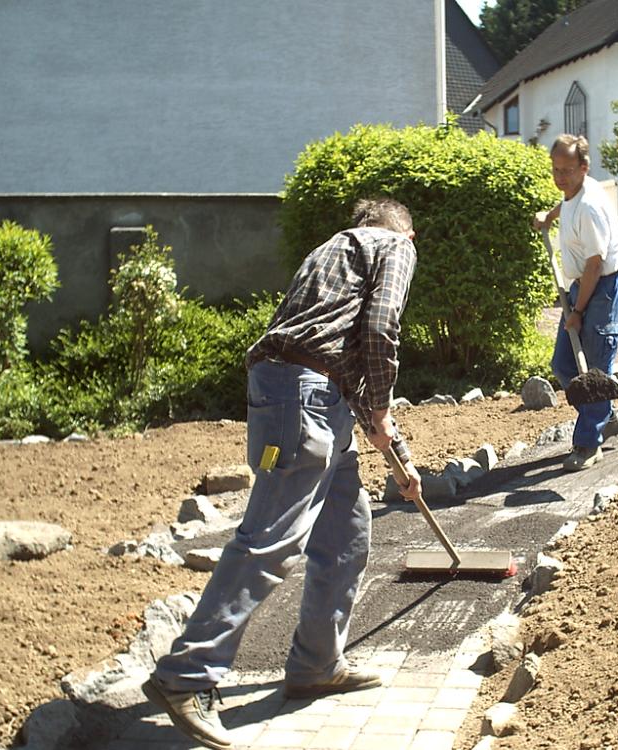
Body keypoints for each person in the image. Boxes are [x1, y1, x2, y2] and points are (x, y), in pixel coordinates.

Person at [142, 197, 423, 750]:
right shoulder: (392, 246)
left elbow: (341, 359)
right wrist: (386, 408)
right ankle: (186, 676)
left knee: (346, 534)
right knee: (271, 539)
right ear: (405, 237)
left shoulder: (331, 253)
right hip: (304, 405)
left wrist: (400, 457)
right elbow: (380, 330)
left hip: (300, 398)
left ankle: (316, 664)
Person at [535, 134, 618, 472]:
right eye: (556, 170)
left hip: (603, 287)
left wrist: (577, 312)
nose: (560, 177)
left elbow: (595, 263)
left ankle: (588, 444)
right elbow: (567, 203)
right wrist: (549, 216)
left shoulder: (590, 205)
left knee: (594, 371)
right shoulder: (575, 193)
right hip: (584, 285)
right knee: (563, 365)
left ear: (584, 168)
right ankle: (603, 416)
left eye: (567, 170)